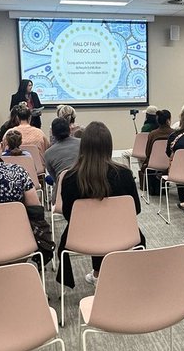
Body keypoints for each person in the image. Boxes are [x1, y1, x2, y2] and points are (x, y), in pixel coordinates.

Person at [57, 121, 142, 288]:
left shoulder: (70, 177)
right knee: (104, 226)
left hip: (81, 235)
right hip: (121, 232)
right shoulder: (124, 174)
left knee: (95, 226)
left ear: (83, 146)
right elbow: (136, 210)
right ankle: (114, 274)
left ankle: (98, 274)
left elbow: (68, 215)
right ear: (109, 146)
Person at [44, 117, 81, 200]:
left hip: (62, 195)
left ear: (53, 133)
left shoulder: (48, 153)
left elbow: (55, 178)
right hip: (85, 189)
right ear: (70, 130)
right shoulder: (83, 143)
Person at [140, 108, 172, 189]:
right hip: (171, 165)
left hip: (153, 164)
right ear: (168, 120)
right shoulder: (174, 134)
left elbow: (147, 153)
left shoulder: (152, 134)